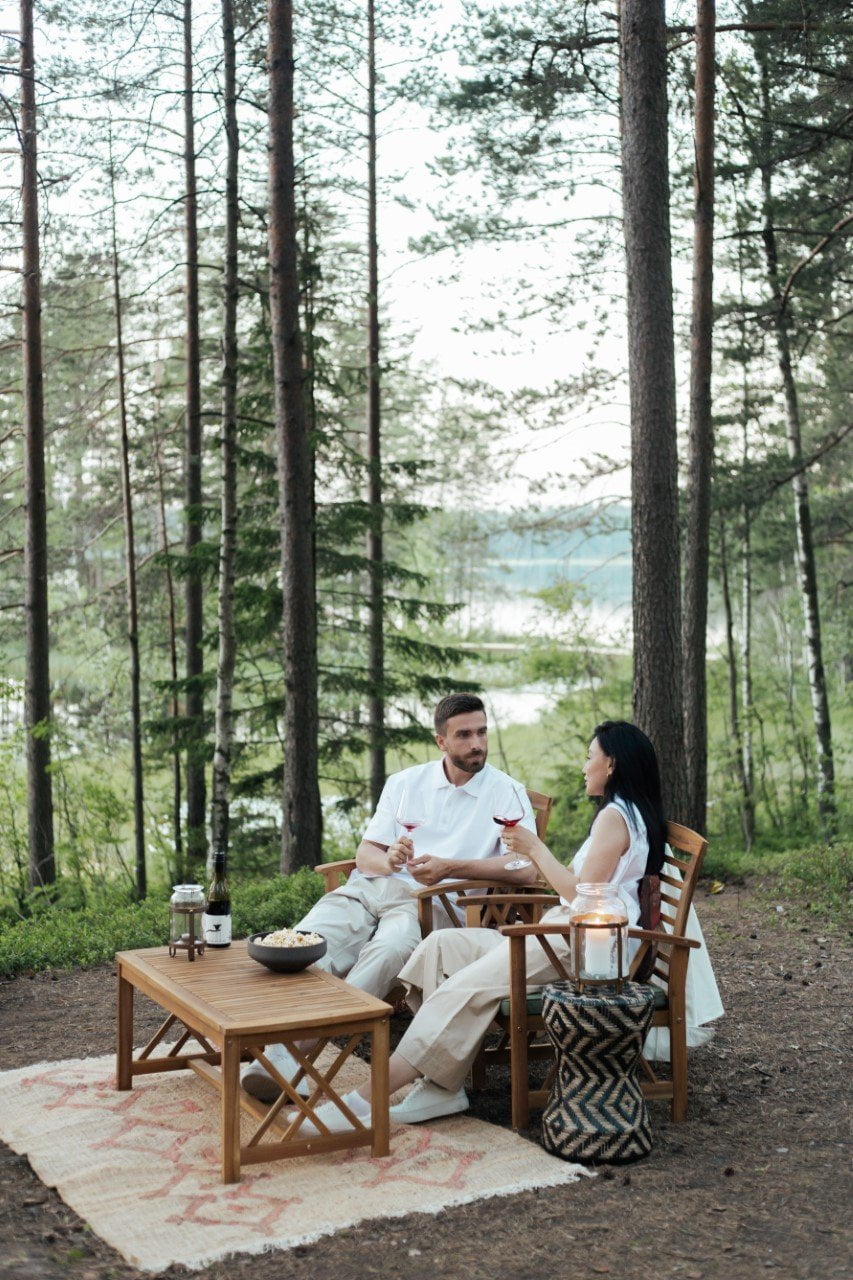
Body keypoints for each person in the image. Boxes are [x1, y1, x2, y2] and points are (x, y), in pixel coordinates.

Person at [295, 719, 723, 1133]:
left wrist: (536, 848)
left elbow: (580, 896)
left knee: (462, 989)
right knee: (438, 947)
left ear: (611, 765)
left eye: (590, 756)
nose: (584, 765)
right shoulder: (624, 813)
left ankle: (369, 1100)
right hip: (565, 932)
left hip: (583, 947)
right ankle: (443, 1087)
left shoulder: (615, 819)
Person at [241, 692, 538, 1102]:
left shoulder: (506, 792)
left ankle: (288, 1057)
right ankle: (283, 1054)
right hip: (368, 888)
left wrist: (450, 867)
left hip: (427, 906)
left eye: (482, 732)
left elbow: (525, 868)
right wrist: (391, 859)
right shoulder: (406, 783)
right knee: (307, 944)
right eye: (465, 734)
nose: (477, 744)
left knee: (385, 954)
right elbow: (367, 854)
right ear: (441, 742)